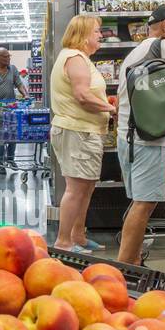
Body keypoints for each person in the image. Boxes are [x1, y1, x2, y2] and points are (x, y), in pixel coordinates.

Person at [116, 3, 165, 265]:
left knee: (139, 202)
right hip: (149, 138)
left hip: (128, 136)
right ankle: (125, 268)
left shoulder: (133, 53)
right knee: (145, 204)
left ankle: (133, 260)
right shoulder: (164, 46)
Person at [48, 15, 114, 251]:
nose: (100, 35)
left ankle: (78, 237)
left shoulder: (79, 58)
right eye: (96, 31)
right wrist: (110, 107)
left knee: (85, 187)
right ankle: (64, 242)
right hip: (77, 132)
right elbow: (82, 96)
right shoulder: (75, 58)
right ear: (84, 35)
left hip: (83, 131)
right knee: (76, 189)